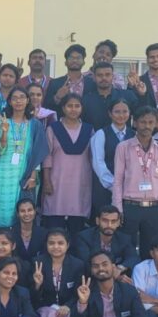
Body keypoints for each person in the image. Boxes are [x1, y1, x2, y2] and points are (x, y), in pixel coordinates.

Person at [113, 107, 158, 260]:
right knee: (127, 249)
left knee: (151, 251)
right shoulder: (123, 147)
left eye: (151, 122)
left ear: (156, 124)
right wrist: (118, 209)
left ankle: (147, 275)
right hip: (130, 206)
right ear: (135, 123)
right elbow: (117, 180)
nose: (147, 126)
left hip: (154, 207)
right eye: (143, 122)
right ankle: (127, 275)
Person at [0, 87, 48, 227]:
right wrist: (4, 133)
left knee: (23, 209)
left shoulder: (35, 124)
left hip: (25, 171)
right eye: (14, 98)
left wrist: (33, 176)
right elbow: (0, 150)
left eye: (22, 97)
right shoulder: (2, 121)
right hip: (4, 173)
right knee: (3, 209)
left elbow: (38, 153)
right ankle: (2, 237)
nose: (18, 101)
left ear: (28, 100)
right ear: (9, 102)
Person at [41, 93, 93, 234]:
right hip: (56, 182)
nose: (73, 109)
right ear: (63, 108)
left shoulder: (89, 130)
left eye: (77, 106)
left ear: (82, 108)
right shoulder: (53, 129)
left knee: (77, 227)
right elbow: (47, 156)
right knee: (54, 226)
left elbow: (92, 157)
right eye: (70, 106)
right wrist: (46, 181)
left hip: (80, 182)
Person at [90, 98, 135, 217]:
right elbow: (98, 163)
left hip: (129, 189)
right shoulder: (101, 134)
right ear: (110, 114)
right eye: (117, 112)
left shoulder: (134, 135)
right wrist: (113, 185)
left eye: (125, 111)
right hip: (105, 188)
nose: (121, 115)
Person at [71, 205, 139, 280]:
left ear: (118, 223)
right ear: (97, 221)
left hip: (116, 278)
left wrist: (119, 268)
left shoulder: (124, 238)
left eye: (113, 221)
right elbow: (86, 264)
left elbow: (133, 258)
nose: (109, 225)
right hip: (92, 279)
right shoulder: (84, 237)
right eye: (105, 221)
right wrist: (112, 274)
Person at [80, 61, 137, 130]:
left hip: (123, 137)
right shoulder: (86, 100)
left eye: (107, 75)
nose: (104, 78)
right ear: (94, 77)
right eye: (100, 75)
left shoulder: (127, 96)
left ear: (113, 76)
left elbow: (140, 115)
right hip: (94, 136)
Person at [42, 44, 87, 115]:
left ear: (84, 62)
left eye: (78, 58)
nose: (75, 60)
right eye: (71, 58)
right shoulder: (54, 83)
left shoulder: (92, 83)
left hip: (87, 121)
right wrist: (57, 97)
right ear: (65, 62)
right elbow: (46, 107)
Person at [10, 198, 48, 269]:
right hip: (15, 270)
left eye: (29, 210)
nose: (26, 214)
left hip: (38, 269)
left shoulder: (43, 233)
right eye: (22, 211)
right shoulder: (10, 232)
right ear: (17, 214)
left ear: (35, 212)